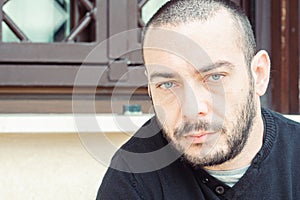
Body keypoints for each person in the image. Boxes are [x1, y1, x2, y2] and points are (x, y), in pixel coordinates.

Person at [97, 0, 300, 199]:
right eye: (168, 84)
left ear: (258, 74)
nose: (192, 109)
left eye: (215, 77)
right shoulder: (133, 179)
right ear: (150, 89)